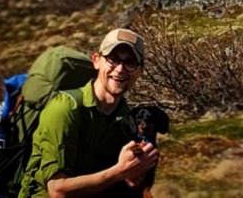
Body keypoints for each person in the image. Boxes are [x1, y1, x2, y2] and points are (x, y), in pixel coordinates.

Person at [18, 28, 158, 198]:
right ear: (96, 61)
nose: (120, 69)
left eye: (130, 63)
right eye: (113, 59)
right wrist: (120, 171)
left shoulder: (126, 120)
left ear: (140, 71)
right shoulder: (65, 108)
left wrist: (135, 175)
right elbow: (57, 190)